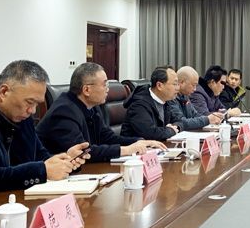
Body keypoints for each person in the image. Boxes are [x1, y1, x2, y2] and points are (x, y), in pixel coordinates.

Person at [0, 60, 88, 207]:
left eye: (37, 104)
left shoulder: (22, 117)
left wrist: (65, 161)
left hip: (17, 204)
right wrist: (42, 171)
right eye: (29, 102)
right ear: (4, 92)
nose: (33, 110)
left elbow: (40, 156)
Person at [37, 63, 166, 160]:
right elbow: (83, 152)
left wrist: (139, 142)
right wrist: (126, 150)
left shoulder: (91, 106)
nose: (107, 89)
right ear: (86, 90)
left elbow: (107, 137)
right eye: (104, 84)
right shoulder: (64, 111)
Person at [121, 66, 181, 141]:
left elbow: (179, 120)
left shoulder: (166, 101)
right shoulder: (139, 105)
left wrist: (176, 127)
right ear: (159, 85)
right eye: (174, 84)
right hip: (136, 147)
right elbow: (150, 134)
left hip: (158, 145)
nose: (178, 88)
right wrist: (170, 131)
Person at [170, 66, 222, 131]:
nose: (195, 89)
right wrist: (207, 119)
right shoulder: (171, 97)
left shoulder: (185, 96)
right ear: (182, 82)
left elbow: (195, 114)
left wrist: (211, 117)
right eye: (193, 85)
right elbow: (181, 122)